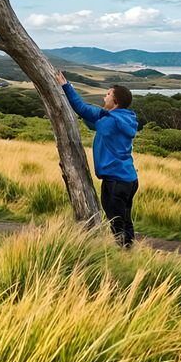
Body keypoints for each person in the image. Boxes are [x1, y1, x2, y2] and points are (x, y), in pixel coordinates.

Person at [53, 71, 139, 247]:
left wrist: (66, 86)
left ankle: (124, 253)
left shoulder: (109, 120)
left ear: (115, 102)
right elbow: (93, 121)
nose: (104, 96)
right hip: (129, 180)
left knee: (116, 222)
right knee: (125, 219)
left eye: (108, 94)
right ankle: (130, 252)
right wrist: (87, 116)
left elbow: (84, 109)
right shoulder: (125, 118)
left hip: (115, 181)